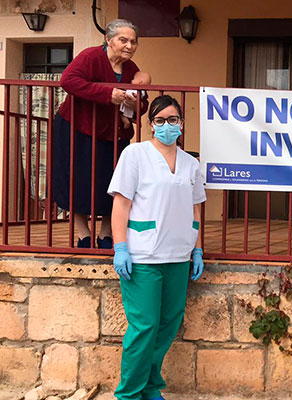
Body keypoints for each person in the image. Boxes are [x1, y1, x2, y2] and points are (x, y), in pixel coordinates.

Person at [108, 95, 206, 400]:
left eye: (172, 120)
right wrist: (120, 246)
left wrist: (198, 250)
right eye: (160, 121)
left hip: (178, 255)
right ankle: (128, 394)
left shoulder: (191, 164)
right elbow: (121, 204)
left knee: (167, 326)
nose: (167, 126)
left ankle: (150, 387)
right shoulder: (135, 155)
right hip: (143, 256)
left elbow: (197, 208)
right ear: (151, 125)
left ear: (182, 124)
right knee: (144, 327)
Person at [52, 19, 146, 249]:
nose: (129, 46)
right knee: (78, 181)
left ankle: (106, 234)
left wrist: (135, 104)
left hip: (113, 134)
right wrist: (107, 93)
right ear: (108, 39)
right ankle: (83, 235)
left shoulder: (131, 69)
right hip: (77, 127)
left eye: (133, 42)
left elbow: (141, 105)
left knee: (112, 183)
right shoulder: (91, 56)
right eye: (123, 40)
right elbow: (68, 80)